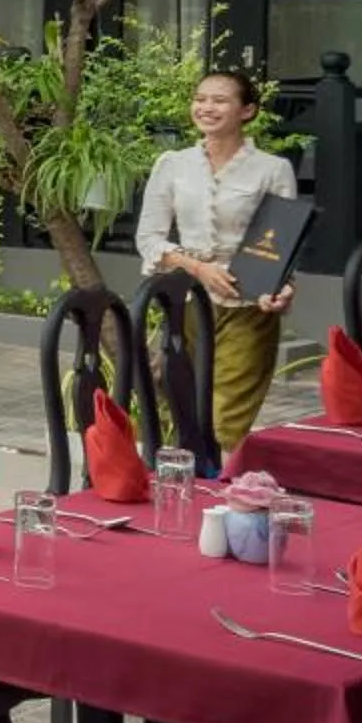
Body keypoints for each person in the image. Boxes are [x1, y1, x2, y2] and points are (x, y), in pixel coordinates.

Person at [134, 70, 299, 451]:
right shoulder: (172, 164)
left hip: (248, 303)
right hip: (186, 303)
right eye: (200, 98)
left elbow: (281, 246)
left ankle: (219, 500)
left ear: (247, 111)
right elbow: (149, 239)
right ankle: (177, 498)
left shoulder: (273, 170)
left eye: (220, 100)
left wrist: (282, 288)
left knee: (227, 421)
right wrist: (198, 269)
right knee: (180, 410)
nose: (206, 107)